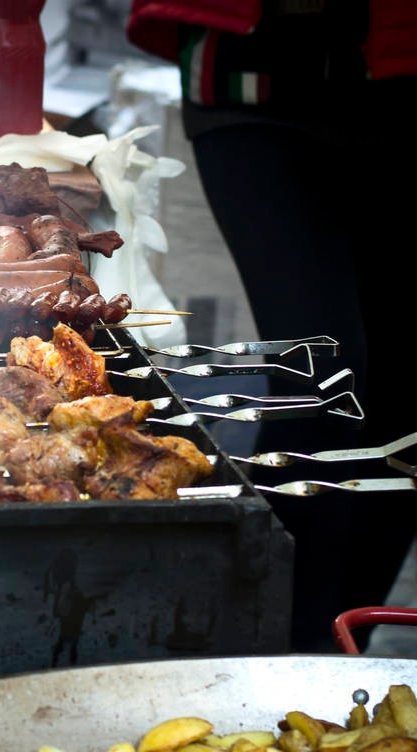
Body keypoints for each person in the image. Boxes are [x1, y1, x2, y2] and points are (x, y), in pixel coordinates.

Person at [124, 0, 417, 652]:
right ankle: (276, 655)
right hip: (253, 74)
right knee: (323, 376)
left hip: (404, 79)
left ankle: (344, 657)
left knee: (406, 400)